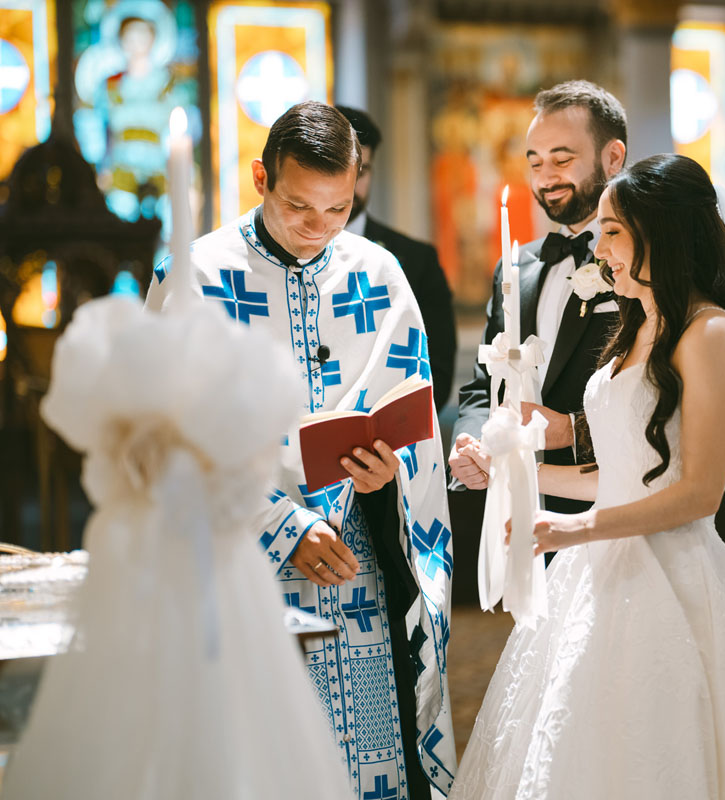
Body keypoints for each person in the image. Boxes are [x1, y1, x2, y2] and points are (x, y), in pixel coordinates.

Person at [450, 155, 725, 798]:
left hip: (671, 576)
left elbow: (697, 494)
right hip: (598, 570)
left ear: (663, 234)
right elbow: (625, 478)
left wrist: (574, 529)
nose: (599, 250)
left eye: (613, 233)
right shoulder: (640, 325)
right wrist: (517, 474)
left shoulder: (712, 334)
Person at [146, 102, 455, 800]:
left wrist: (389, 475)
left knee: (365, 763)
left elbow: (415, 434)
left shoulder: (380, 274)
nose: (318, 230)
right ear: (261, 178)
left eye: (338, 209)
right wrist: (281, 524)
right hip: (234, 564)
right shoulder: (194, 275)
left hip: (354, 576)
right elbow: (160, 435)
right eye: (298, 208)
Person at [450, 81, 626, 512]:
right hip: (511, 509)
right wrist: (469, 441)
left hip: (608, 503)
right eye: (534, 163)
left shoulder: (643, 263)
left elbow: (666, 394)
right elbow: (481, 385)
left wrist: (571, 429)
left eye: (562, 159)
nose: (546, 177)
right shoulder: (516, 267)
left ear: (613, 157)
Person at [336, 105, 457, 410]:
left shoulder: (418, 261)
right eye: (337, 168)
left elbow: (437, 373)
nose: (350, 184)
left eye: (361, 171)